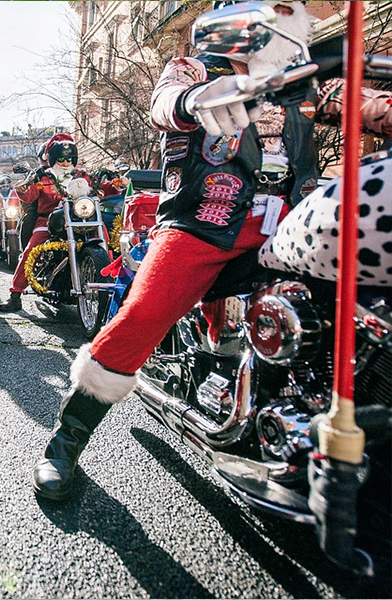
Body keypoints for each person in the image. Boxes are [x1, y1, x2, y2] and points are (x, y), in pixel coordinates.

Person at [31, 0, 392, 501]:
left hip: (295, 218)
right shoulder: (197, 66)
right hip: (208, 220)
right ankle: (67, 440)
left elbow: (362, 102)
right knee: (143, 312)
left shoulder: (303, 79)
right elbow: (168, 103)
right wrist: (203, 97)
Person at [0, 136, 96, 312]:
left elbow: (98, 188)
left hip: (79, 219)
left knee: (101, 233)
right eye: (61, 159)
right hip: (48, 220)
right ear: (52, 159)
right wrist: (23, 189)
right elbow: (30, 196)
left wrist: (116, 183)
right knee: (33, 248)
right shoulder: (43, 177)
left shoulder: (82, 176)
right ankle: (15, 294)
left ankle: (113, 283)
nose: (65, 163)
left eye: (68, 159)